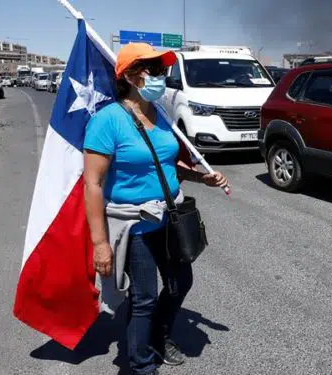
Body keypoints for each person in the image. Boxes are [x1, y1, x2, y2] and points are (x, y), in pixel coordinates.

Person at [82, 43, 228, 375]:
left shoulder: (160, 113)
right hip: (134, 226)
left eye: (163, 70)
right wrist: (100, 244)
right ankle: (141, 364)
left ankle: (160, 336)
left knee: (180, 282)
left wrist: (200, 177)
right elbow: (92, 184)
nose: (162, 76)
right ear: (131, 75)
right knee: (144, 298)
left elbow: (167, 164)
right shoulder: (108, 121)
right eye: (155, 70)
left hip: (170, 218)